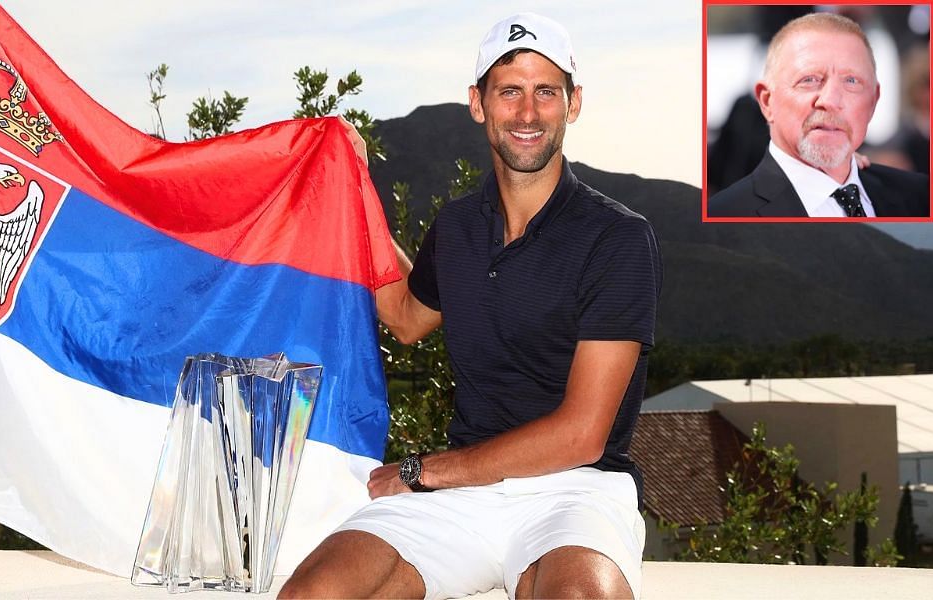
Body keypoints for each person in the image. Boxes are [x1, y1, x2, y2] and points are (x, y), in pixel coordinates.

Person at [280, 13, 662, 599]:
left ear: (574, 103)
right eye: (509, 91)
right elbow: (406, 316)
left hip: (575, 489)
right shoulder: (456, 228)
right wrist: (351, 182)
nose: (528, 113)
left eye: (545, 93)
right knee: (316, 593)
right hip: (463, 496)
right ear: (478, 104)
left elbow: (583, 434)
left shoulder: (617, 238)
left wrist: (424, 472)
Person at [708, 12, 929, 218]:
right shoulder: (725, 215)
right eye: (809, 79)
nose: (831, 101)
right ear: (767, 101)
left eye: (851, 81)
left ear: (873, 101)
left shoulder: (921, 197)